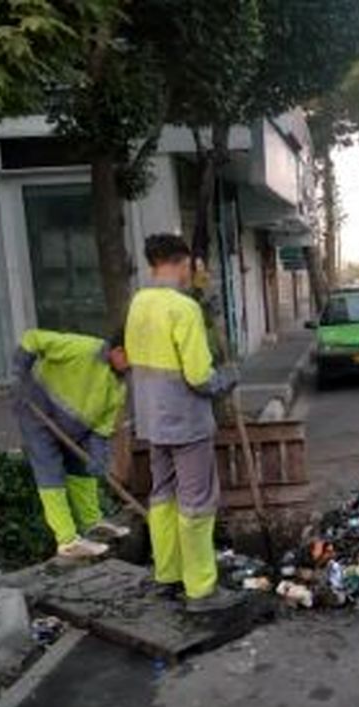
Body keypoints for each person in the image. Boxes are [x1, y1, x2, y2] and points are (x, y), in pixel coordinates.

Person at [125, 235, 238, 612]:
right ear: (180, 263)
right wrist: (228, 378)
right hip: (186, 421)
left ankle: (168, 576)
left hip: (152, 421)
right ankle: (202, 589)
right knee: (197, 503)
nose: (192, 273)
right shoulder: (182, 308)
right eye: (190, 267)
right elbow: (199, 376)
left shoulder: (139, 303)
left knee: (162, 497)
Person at [13, 329, 131, 560]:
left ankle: (91, 522)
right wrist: (20, 371)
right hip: (38, 411)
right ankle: (67, 540)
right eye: (133, 360)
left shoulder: (118, 386)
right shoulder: (83, 349)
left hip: (73, 428)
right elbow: (33, 339)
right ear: (118, 351)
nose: (134, 368)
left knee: (81, 467)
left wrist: (98, 455)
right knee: (50, 470)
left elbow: (102, 428)